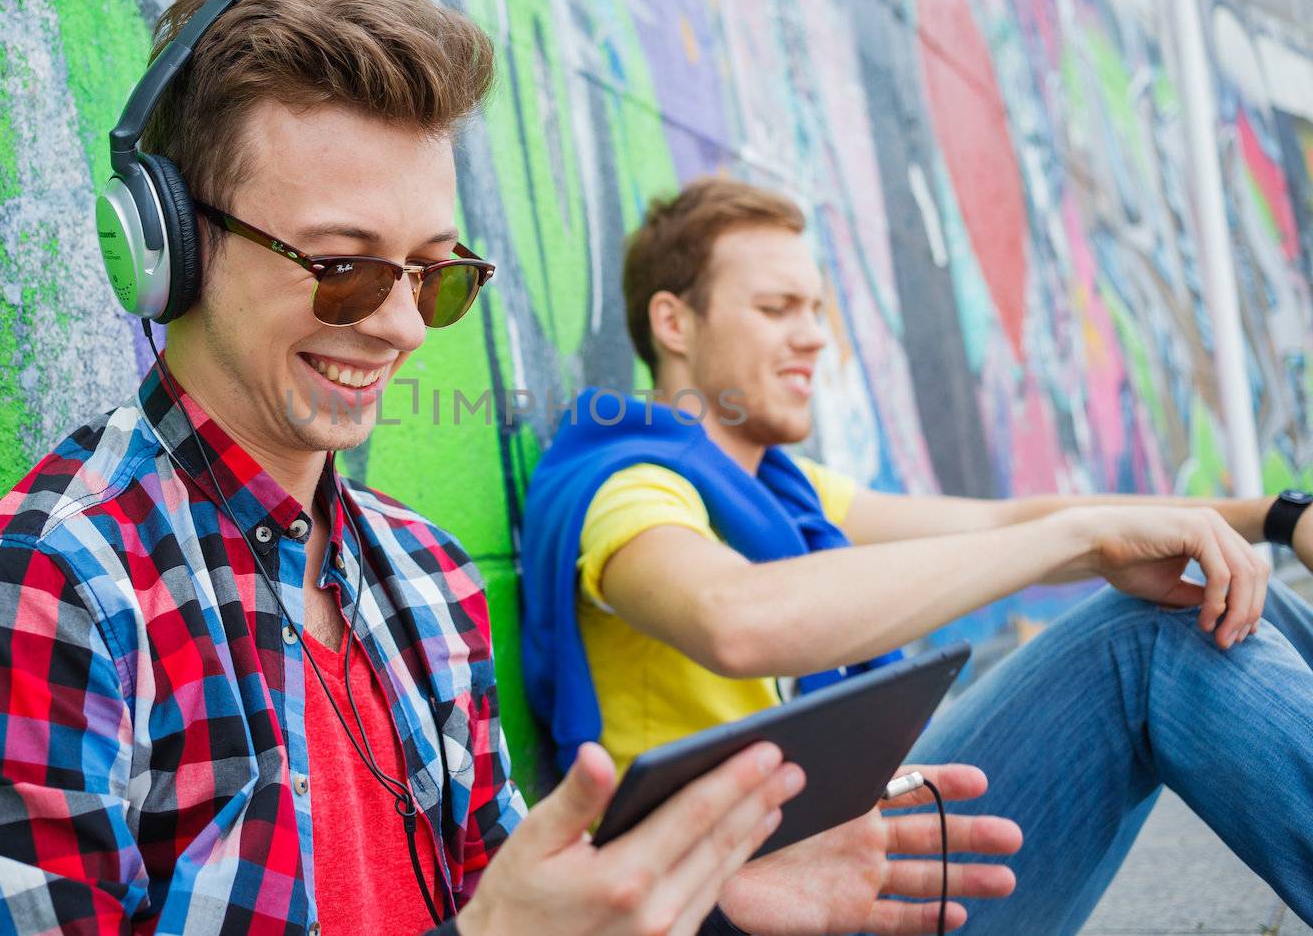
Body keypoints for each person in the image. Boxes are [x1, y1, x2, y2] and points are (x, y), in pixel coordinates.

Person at [0, 0, 1019, 936]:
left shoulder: (424, 575)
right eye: (344, 266)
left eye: (436, 274)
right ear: (172, 245)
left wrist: (702, 903)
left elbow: (493, 898)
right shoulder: (39, 596)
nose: (399, 324)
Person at [519, 176, 1313, 934]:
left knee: (1244, 595)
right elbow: (736, 619)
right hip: (757, 907)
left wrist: (1275, 518)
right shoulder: (632, 486)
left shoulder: (784, 493)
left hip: (848, 858)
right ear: (673, 323)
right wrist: (1081, 538)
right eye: (777, 307)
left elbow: (1005, 518)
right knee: (1153, 637)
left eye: (818, 308)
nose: (814, 335)